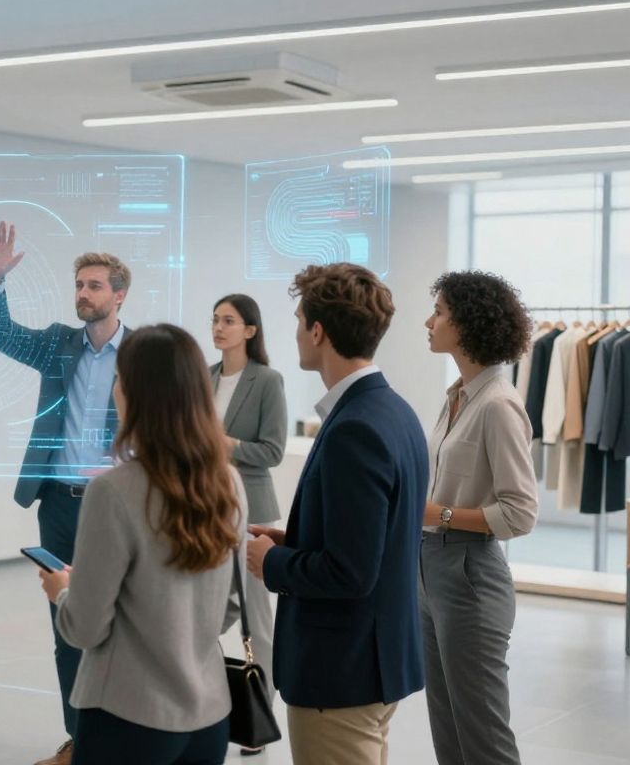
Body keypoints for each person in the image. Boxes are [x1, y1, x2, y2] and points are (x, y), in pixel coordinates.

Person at [40, 323, 246, 765]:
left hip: (125, 716)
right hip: (209, 718)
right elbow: (231, 604)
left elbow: (86, 627)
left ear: (132, 392)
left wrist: (62, 592)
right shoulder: (228, 481)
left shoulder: (113, 491)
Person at [246, 263, 427, 765]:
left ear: (318, 331)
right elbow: (371, 538)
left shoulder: (356, 428)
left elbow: (350, 571)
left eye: (300, 320)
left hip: (341, 672)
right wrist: (291, 539)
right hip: (373, 662)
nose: (297, 332)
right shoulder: (395, 411)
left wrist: (271, 563)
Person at [0, 221, 130, 765]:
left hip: (119, 509)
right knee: (67, 624)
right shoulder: (59, 345)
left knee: (121, 623)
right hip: (60, 505)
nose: (84, 294)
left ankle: (122, 736)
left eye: (95, 286)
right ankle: (80, 739)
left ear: (119, 294)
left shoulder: (142, 354)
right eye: (80, 285)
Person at [421, 272, 538, 765]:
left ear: (467, 323)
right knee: (448, 729)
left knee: (483, 736)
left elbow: (520, 511)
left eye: (441, 312)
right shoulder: (457, 397)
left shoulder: (497, 405)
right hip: (431, 570)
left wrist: (437, 514)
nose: (430, 322)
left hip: (469, 573)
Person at [208, 294, 286, 757]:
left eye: (229, 320)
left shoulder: (268, 381)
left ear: (250, 331)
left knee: (257, 617)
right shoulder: (206, 377)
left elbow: (272, 451)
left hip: (251, 508)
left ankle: (262, 710)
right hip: (206, 505)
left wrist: (226, 443)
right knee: (211, 603)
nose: (219, 328)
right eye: (215, 320)